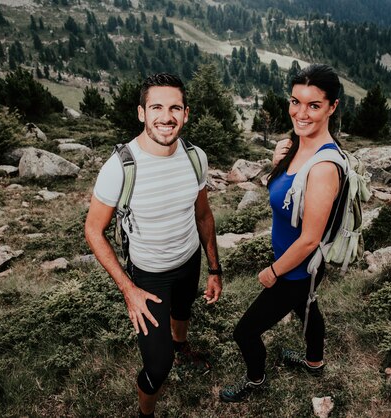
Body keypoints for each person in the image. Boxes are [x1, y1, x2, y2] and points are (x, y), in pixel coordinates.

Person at [84, 73, 222, 418]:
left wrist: (215, 269)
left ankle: (182, 344)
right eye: (156, 107)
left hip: (189, 259)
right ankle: (146, 414)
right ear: (142, 113)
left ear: (186, 113)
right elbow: (93, 230)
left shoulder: (195, 157)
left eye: (175, 107)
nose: (166, 116)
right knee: (158, 367)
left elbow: (203, 216)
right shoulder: (120, 167)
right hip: (149, 276)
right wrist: (129, 290)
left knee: (183, 311)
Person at [220, 64, 343, 402]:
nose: (300, 113)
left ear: (332, 107)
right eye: (295, 101)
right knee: (308, 310)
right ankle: (314, 362)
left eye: (314, 105)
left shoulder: (323, 168)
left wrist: (273, 272)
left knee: (244, 331)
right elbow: (283, 196)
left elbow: (308, 239)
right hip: (304, 266)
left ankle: (255, 381)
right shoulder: (296, 145)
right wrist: (279, 165)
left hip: (296, 269)